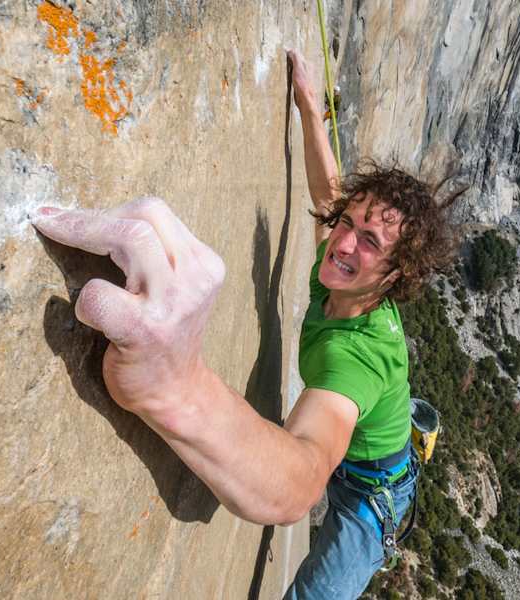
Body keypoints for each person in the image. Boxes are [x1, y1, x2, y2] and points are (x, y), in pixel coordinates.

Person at [31, 49, 457, 599]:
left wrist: (175, 385)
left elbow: (300, 484)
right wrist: (308, 105)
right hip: (371, 455)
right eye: (348, 224)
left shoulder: (351, 360)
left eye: (369, 241)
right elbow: (330, 192)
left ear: (396, 277)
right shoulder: (350, 275)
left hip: (372, 501)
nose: (344, 243)